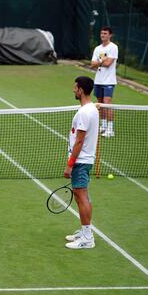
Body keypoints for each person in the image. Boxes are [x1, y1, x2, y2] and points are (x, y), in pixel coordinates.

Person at [64, 76, 99, 250]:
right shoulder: (91, 109)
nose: (73, 90)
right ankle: (85, 231)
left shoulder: (85, 112)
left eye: (75, 87)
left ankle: (87, 237)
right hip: (84, 159)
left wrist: (70, 164)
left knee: (81, 196)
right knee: (82, 196)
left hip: (81, 160)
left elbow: (79, 141)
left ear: (81, 90)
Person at [90, 26, 118, 138]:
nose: (103, 35)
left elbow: (108, 64)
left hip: (109, 81)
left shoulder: (113, 47)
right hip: (98, 80)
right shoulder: (97, 48)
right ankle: (103, 126)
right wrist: (102, 60)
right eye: (102, 33)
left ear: (110, 35)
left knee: (107, 104)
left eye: (105, 33)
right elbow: (92, 64)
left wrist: (99, 61)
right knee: (100, 105)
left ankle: (110, 130)